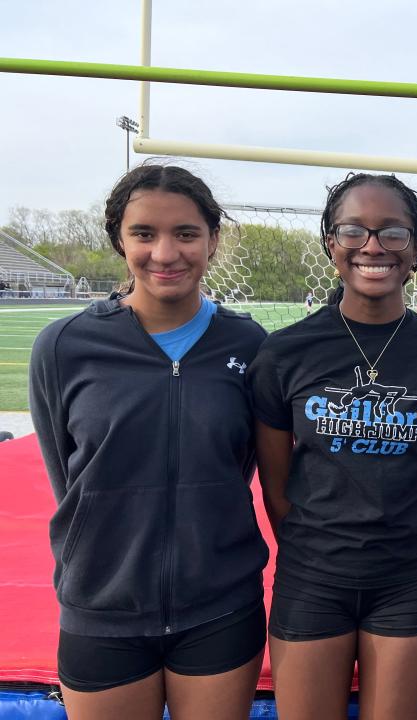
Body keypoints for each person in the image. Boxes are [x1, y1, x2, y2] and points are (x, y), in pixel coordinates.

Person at [29, 165, 269, 719]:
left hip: (220, 608)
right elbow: (67, 477)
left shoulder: (250, 344)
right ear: (119, 239)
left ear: (212, 239)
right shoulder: (65, 347)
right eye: (144, 234)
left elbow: (242, 468)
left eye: (186, 233)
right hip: (102, 607)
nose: (166, 253)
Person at [248, 172, 417, 720]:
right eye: (354, 230)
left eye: (393, 233)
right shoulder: (284, 355)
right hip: (311, 577)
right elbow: (276, 487)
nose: (373, 246)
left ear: (415, 249)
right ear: (332, 244)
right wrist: (322, 547)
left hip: (405, 578)